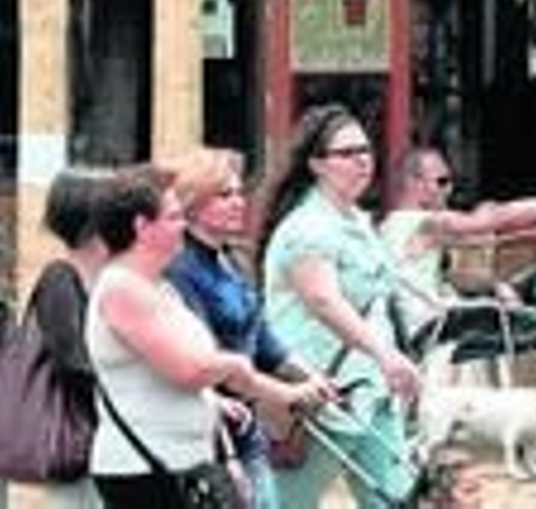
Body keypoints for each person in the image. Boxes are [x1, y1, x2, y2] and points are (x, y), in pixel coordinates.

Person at [87, 167, 310, 506]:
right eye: (175, 217)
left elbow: (193, 370)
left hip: (184, 463)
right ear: (141, 227)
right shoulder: (122, 288)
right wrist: (237, 366)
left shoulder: (160, 286)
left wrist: (219, 398)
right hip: (145, 469)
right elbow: (190, 370)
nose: (184, 225)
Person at [257, 105, 421, 507]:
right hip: (321, 392)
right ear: (316, 164)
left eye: (365, 150)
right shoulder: (307, 227)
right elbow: (322, 300)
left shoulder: (358, 221)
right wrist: (386, 355)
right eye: (347, 153)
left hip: (372, 389)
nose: (362, 160)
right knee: (287, 503)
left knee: (395, 500)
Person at [164, 147, 335, 509]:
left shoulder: (234, 260)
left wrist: (311, 377)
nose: (239, 202)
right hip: (204, 436)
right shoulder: (179, 269)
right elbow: (209, 360)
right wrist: (287, 394)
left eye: (240, 193)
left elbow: (265, 343)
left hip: (247, 432)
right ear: (193, 203)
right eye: (225, 195)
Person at [378, 145, 536, 340]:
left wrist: (495, 286)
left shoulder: (392, 226)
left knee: (533, 286)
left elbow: (459, 273)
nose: (448, 190)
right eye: (442, 181)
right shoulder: (425, 223)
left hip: (433, 321)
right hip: (433, 329)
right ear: (414, 182)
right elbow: (497, 219)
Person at [31, 169, 114, 508]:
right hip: (76, 440)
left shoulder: (106, 280)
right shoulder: (60, 279)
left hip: (105, 441)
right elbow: (72, 362)